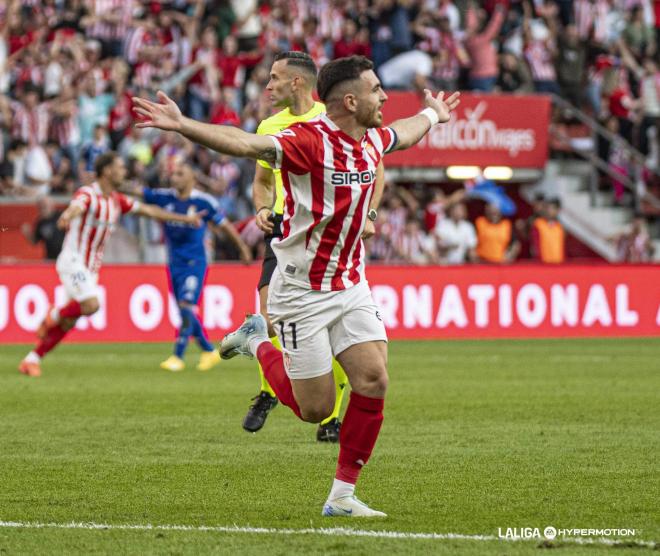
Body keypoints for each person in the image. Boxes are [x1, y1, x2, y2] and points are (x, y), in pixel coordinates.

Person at [132, 55, 460, 518]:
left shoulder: (370, 140)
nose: (384, 96)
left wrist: (433, 115)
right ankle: (256, 342)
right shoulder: (307, 141)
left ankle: (342, 496)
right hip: (300, 292)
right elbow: (245, 144)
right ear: (351, 100)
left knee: (374, 379)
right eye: (376, 89)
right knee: (315, 408)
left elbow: (405, 132)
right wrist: (184, 124)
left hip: (350, 283)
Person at [247, 51, 385, 443]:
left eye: (274, 78)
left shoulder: (338, 117)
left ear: (297, 83)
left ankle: (332, 417)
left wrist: (369, 215)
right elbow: (262, 181)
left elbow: (376, 167)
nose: (268, 86)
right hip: (284, 235)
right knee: (271, 321)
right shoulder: (270, 126)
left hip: (332, 238)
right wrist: (260, 207)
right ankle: (267, 390)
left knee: (344, 337)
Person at [18, 152, 203, 378]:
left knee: (70, 321)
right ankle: (54, 314)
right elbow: (77, 205)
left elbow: (148, 210)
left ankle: (32, 359)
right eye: (120, 167)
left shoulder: (117, 200)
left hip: (91, 269)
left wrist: (185, 219)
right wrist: (68, 214)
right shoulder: (88, 193)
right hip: (73, 260)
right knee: (91, 305)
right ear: (107, 171)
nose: (124, 171)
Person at [134, 160, 253, 372]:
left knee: (187, 305)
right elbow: (138, 191)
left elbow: (225, 226)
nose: (174, 177)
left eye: (180, 173)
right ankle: (208, 351)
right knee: (184, 309)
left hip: (196, 261)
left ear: (191, 178)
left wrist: (243, 248)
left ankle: (177, 356)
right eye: (174, 173)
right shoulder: (166, 197)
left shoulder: (203, 202)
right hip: (174, 263)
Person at [21, 196, 65, 260]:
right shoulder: (40, 222)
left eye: (44, 206)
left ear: (52, 205)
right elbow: (35, 242)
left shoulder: (62, 216)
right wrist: (28, 234)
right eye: (40, 207)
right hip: (50, 257)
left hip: (64, 256)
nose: (42, 209)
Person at [531, 198, 565, 263]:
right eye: (547, 208)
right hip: (543, 264)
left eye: (551, 208)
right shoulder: (538, 224)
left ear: (557, 210)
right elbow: (535, 246)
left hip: (558, 263)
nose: (548, 211)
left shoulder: (559, 226)